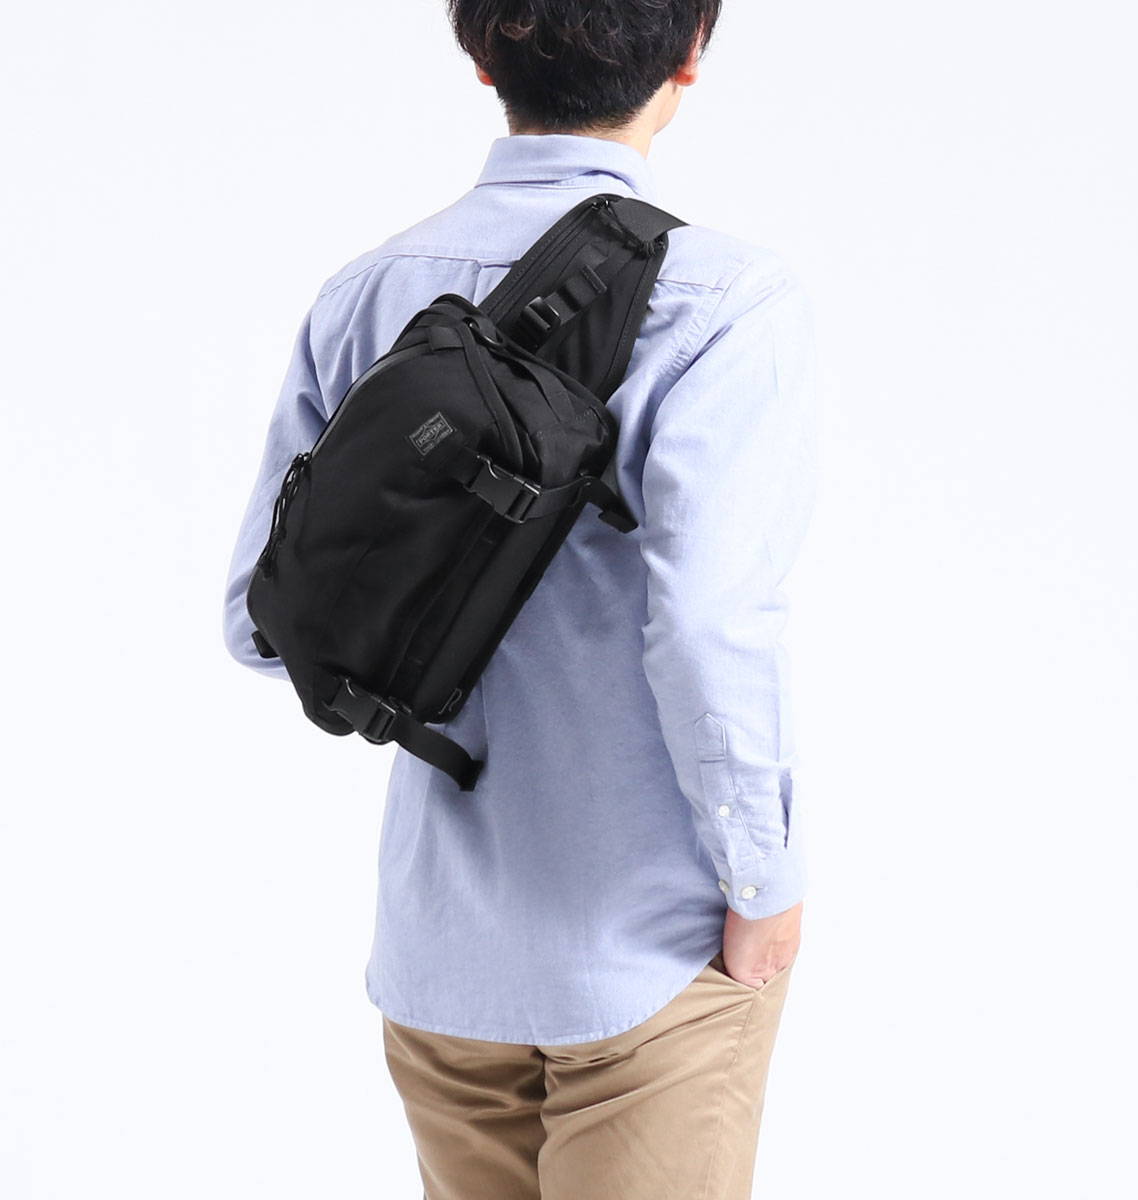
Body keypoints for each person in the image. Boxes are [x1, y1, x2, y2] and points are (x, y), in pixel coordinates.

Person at [222, 2, 818, 1196]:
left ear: (485, 54)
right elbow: (707, 626)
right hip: (649, 953)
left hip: (440, 964)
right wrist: (765, 878)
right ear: (689, 55)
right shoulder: (725, 300)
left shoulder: (367, 290)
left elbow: (260, 623)